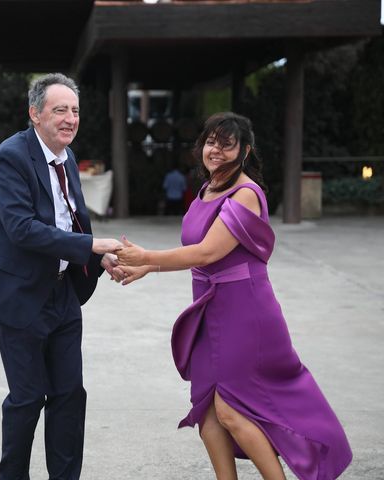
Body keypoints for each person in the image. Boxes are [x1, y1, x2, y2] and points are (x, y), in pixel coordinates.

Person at [115, 112, 352, 480]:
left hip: (245, 312)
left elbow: (209, 252)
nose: (216, 151)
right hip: (210, 313)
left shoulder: (245, 193)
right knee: (207, 412)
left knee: (231, 409)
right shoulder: (208, 188)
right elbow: (196, 253)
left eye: (227, 145)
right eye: (211, 142)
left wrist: (148, 258)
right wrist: (150, 266)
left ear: (245, 151)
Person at [0, 73, 122, 480]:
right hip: (16, 293)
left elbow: (70, 220)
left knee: (70, 393)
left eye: (75, 110)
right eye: (60, 110)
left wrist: (96, 257)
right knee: (29, 396)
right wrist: (90, 246)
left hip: (62, 291)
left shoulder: (66, 155)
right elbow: (22, 228)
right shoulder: (11, 156)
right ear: (35, 114)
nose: (70, 119)